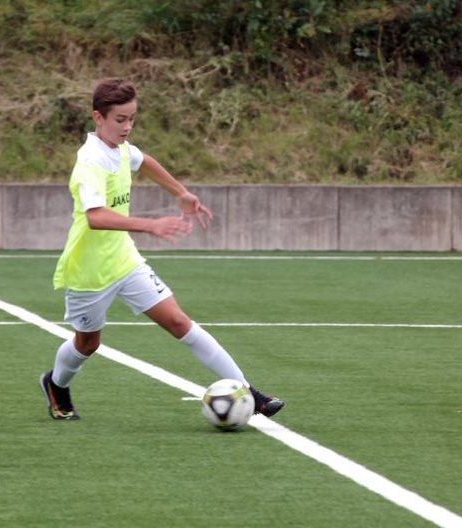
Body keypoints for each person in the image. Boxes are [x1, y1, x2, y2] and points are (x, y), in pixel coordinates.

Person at [40, 78, 284, 421]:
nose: (127, 127)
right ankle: (56, 384)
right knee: (88, 344)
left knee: (179, 321)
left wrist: (180, 192)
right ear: (98, 117)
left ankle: (249, 392)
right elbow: (95, 217)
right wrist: (151, 225)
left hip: (124, 260)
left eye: (132, 119)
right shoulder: (90, 161)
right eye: (120, 119)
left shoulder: (121, 148)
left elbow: (144, 161)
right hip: (89, 271)